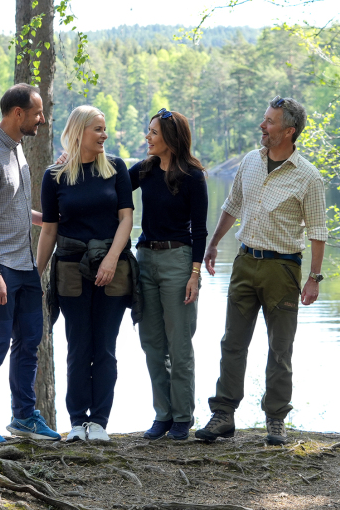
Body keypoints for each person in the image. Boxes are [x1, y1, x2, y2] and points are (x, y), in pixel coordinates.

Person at [195, 96, 328, 445]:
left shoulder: (308, 177)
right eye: (264, 119)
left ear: (289, 131)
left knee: (280, 348)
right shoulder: (250, 162)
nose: (262, 126)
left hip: (282, 269)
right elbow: (231, 205)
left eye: (269, 122)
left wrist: (314, 278)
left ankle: (275, 420)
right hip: (244, 263)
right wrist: (213, 244)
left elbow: (317, 232)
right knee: (232, 343)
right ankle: (223, 415)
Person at [0, 83, 60, 443]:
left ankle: (23, 417)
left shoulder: (15, 150)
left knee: (30, 339)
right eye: (37, 113)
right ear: (18, 113)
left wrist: (46, 218)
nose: (42, 119)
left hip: (23, 264)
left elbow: (10, 208)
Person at [37, 105, 136, 442]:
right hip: (69, 270)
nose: (104, 135)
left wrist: (110, 259)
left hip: (114, 269)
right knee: (78, 347)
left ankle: (100, 423)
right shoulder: (55, 176)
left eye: (104, 128)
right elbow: (49, 230)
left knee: (105, 348)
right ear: (79, 131)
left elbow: (126, 219)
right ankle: (78, 422)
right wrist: (37, 273)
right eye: (97, 128)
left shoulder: (117, 169)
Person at [128, 109, 208, 441]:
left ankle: (182, 417)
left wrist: (194, 274)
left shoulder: (192, 175)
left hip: (179, 262)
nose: (147, 137)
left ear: (170, 139)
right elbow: (108, 185)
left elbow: (201, 230)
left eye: (153, 133)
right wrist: (70, 159)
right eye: (148, 132)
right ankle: (162, 415)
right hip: (145, 260)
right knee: (151, 343)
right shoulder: (144, 170)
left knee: (179, 345)